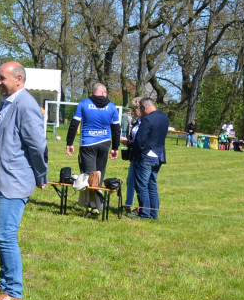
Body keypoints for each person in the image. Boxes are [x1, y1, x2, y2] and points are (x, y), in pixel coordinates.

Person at [0, 62, 48, 300]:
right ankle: (5, 282)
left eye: (2, 78)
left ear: (18, 79)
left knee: (6, 235)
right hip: (0, 176)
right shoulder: (9, 102)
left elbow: (38, 146)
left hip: (15, 180)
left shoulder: (26, 105)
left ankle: (13, 293)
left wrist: (41, 175)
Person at [65, 83, 120, 215]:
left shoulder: (84, 103)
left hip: (88, 143)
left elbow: (74, 124)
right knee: (99, 173)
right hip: (105, 142)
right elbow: (116, 128)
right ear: (102, 93)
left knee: (88, 174)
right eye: (106, 92)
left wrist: (69, 143)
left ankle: (92, 206)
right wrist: (115, 147)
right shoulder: (111, 106)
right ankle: (97, 203)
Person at [129, 98, 168, 221]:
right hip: (159, 156)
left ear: (144, 107)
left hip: (146, 156)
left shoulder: (147, 119)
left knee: (142, 186)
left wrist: (133, 155)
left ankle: (144, 214)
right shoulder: (164, 118)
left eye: (141, 108)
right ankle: (153, 214)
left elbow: (140, 141)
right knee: (152, 186)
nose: (140, 111)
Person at [121, 97, 145, 214]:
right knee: (130, 180)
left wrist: (127, 142)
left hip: (142, 156)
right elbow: (134, 136)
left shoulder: (146, 122)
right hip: (133, 155)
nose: (134, 110)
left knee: (140, 182)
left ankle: (143, 207)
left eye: (136, 108)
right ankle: (128, 204)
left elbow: (141, 141)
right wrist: (128, 139)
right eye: (134, 108)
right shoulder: (136, 121)